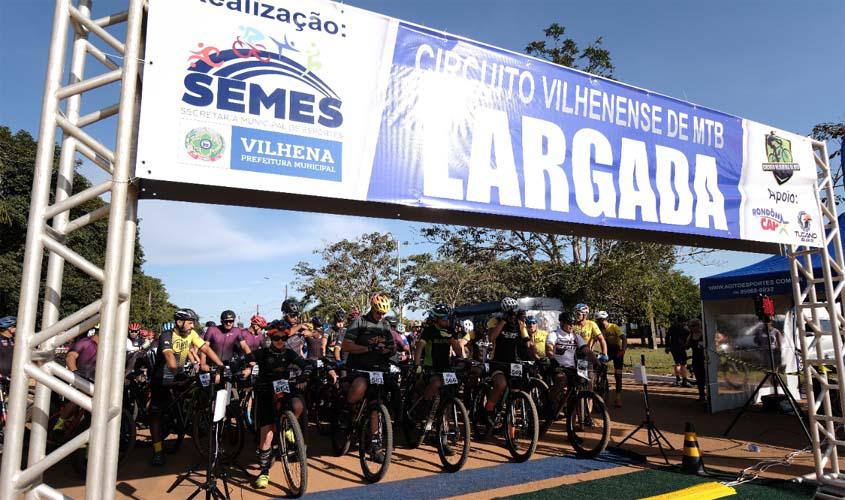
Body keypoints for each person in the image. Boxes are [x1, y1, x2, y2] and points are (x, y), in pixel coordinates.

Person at [149, 308, 224, 466]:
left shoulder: (191, 334)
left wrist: (220, 364)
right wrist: (175, 370)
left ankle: (188, 420)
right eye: (190, 322)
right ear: (179, 322)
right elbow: (169, 356)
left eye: (193, 323)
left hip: (179, 374)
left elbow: (205, 348)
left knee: (195, 389)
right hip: (162, 378)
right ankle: (157, 451)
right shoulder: (166, 335)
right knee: (156, 414)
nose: (192, 326)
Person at [251, 318, 313, 489]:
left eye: (284, 338)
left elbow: (305, 364)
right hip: (265, 392)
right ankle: (264, 471)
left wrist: (304, 376)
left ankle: (287, 426)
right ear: (270, 337)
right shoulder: (262, 353)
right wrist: (233, 367)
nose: (280, 342)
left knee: (298, 405)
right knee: (267, 435)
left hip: (284, 389)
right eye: (276, 338)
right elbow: (243, 360)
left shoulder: (289, 353)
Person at [339, 293, 395, 460]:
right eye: (378, 312)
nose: (381, 316)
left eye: (384, 313)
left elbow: (392, 348)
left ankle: (375, 445)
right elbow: (346, 345)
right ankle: (347, 412)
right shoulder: (359, 322)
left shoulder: (385, 325)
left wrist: (386, 349)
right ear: (372, 308)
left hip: (378, 369)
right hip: (358, 368)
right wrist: (368, 348)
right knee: (360, 387)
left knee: (376, 405)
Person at [413, 304, 462, 427]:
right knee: (436, 383)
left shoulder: (450, 331)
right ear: (436, 319)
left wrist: (460, 355)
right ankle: (424, 410)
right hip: (431, 367)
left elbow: (458, 350)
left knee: (452, 388)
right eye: (444, 317)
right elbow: (420, 347)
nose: (447, 320)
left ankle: (443, 420)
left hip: (446, 367)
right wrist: (417, 364)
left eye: (448, 317)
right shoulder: (429, 330)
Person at [484, 297, 530, 425]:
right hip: (497, 361)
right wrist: (503, 321)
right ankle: (489, 410)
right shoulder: (495, 320)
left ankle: (510, 423)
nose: (512, 316)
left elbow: (527, 342)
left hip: (513, 363)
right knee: (501, 384)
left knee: (517, 390)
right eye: (510, 313)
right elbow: (491, 337)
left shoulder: (519, 323)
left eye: (514, 312)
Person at [545, 312, 599, 417]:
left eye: (573, 323)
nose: (571, 326)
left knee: (582, 383)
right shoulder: (554, 334)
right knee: (562, 379)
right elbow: (549, 348)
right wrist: (552, 357)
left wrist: (597, 362)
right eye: (569, 323)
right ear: (561, 323)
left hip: (572, 368)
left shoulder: (575, 336)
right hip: (557, 366)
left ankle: (575, 419)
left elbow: (587, 351)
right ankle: (550, 402)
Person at [53, 325, 100, 437]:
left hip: (95, 381)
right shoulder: (85, 342)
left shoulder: (106, 346)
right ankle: (58, 426)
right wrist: (75, 372)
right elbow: (70, 357)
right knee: (76, 401)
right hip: (79, 378)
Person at [596, 311, 626, 408]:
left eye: (601, 320)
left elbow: (624, 338)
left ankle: (618, 398)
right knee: (598, 364)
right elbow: (594, 339)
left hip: (618, 352)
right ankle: (602, 381)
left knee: (618, 375)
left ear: (605, 319)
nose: (600, 322)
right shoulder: (599, 329)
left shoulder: (614, 327)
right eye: (599, 321)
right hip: (607, 352)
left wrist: (623, 350)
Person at [666, 315, 691, 387]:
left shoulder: (672, 327)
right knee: (683, 364)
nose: (686, 323)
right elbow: (689, 338)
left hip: (673, 348)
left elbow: (667, 337)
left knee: (677, 363)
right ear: (682, 321)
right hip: (681, 348)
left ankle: (678, 380)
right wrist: (688, 346)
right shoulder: (685, 329)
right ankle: (684, 381)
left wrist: (667, 347)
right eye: (685, 322)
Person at [688, 319, 706, 402]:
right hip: (695, 359)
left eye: (692, 326)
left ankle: (710, 396)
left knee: (705, 378)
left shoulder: (704, 334)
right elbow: (687, 345)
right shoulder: (690, 335)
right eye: (690, 326)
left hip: (705, 359)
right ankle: (701, 396)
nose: (691, 328)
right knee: (698, 378)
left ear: (698, 325)